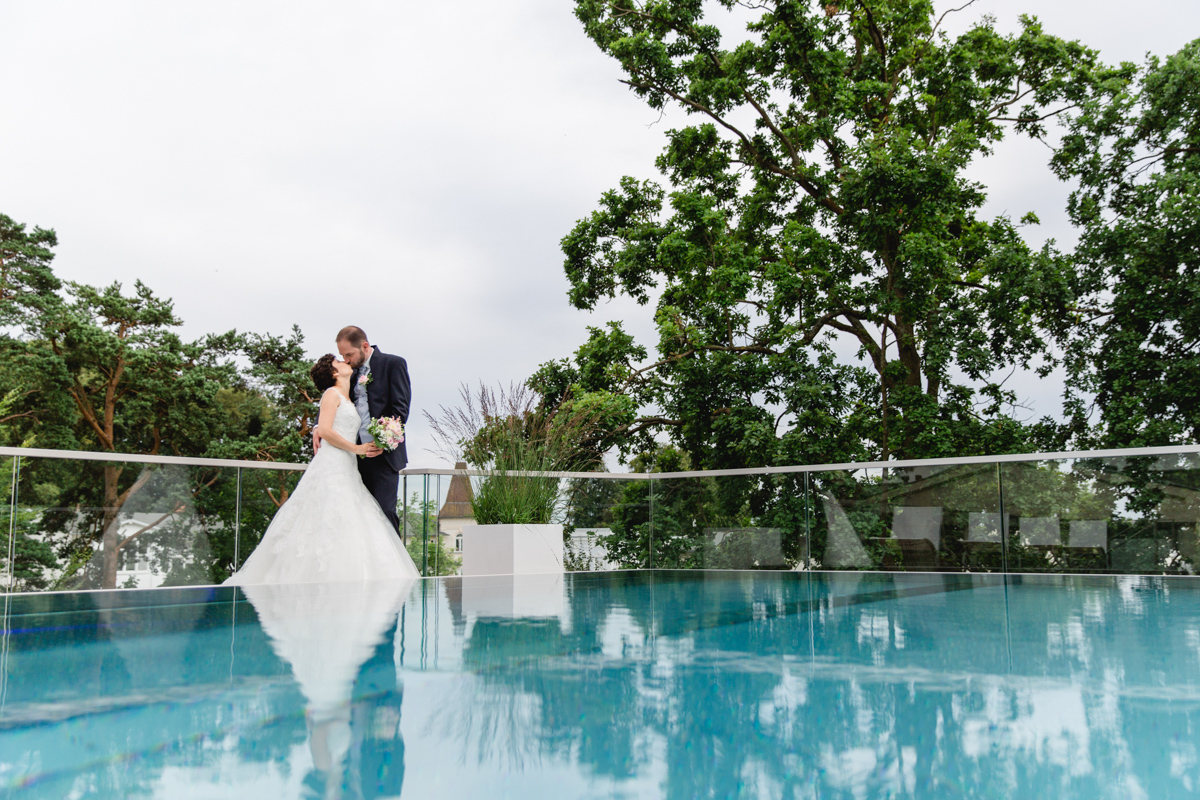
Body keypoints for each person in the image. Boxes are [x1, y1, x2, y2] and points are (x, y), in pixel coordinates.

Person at [224, 354, 420, 585]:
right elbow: (326, 431)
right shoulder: (331, 393)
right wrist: (356, 448)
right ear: (335, 372)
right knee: (325, 514)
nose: (345, 361)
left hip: (348, 466)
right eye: (340, 361)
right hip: (333, 463)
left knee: (349, 517)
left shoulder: (348, 395)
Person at [316, 326, 411, 535]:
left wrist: (382, 442)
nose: (346, 360)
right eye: (342, 356)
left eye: (349, 354)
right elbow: (332, 397)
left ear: (365, 346)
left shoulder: (393, 364)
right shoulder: (348, 371)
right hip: (352, 457)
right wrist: (318, 426)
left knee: (384, 513)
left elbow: (400, 411)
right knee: (355, 517)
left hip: (383, 456)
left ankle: (393, 567)